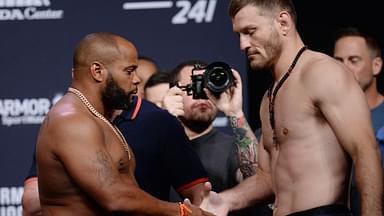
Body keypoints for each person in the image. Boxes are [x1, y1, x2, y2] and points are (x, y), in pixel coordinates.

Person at [199, 1, 383, 216]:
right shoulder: (269, 97)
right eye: (239, 35)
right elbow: (267, 180)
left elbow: (366, 153)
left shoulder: (322, 73)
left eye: (250, 32)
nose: (243, 44)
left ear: (283, 23)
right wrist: (224, 200)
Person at [35, 32, 214, 215]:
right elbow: (117, 198)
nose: (137, 79)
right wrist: (184, 212)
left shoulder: (97, 117)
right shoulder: (72, 121)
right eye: (129, 71)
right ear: (97, 72)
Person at [164, 60, 272, 215]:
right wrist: (164, 119)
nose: (203, 96)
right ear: (174, 92)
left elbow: (260, 181)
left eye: (209, 87)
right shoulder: (161, 144)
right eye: (195, 85)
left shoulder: (232, 147)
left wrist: (235, 112)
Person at [333, 26, 384, 216]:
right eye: (338, 61)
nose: (344, 68)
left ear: (376, 65)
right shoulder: (328, 119)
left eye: (354, 60)